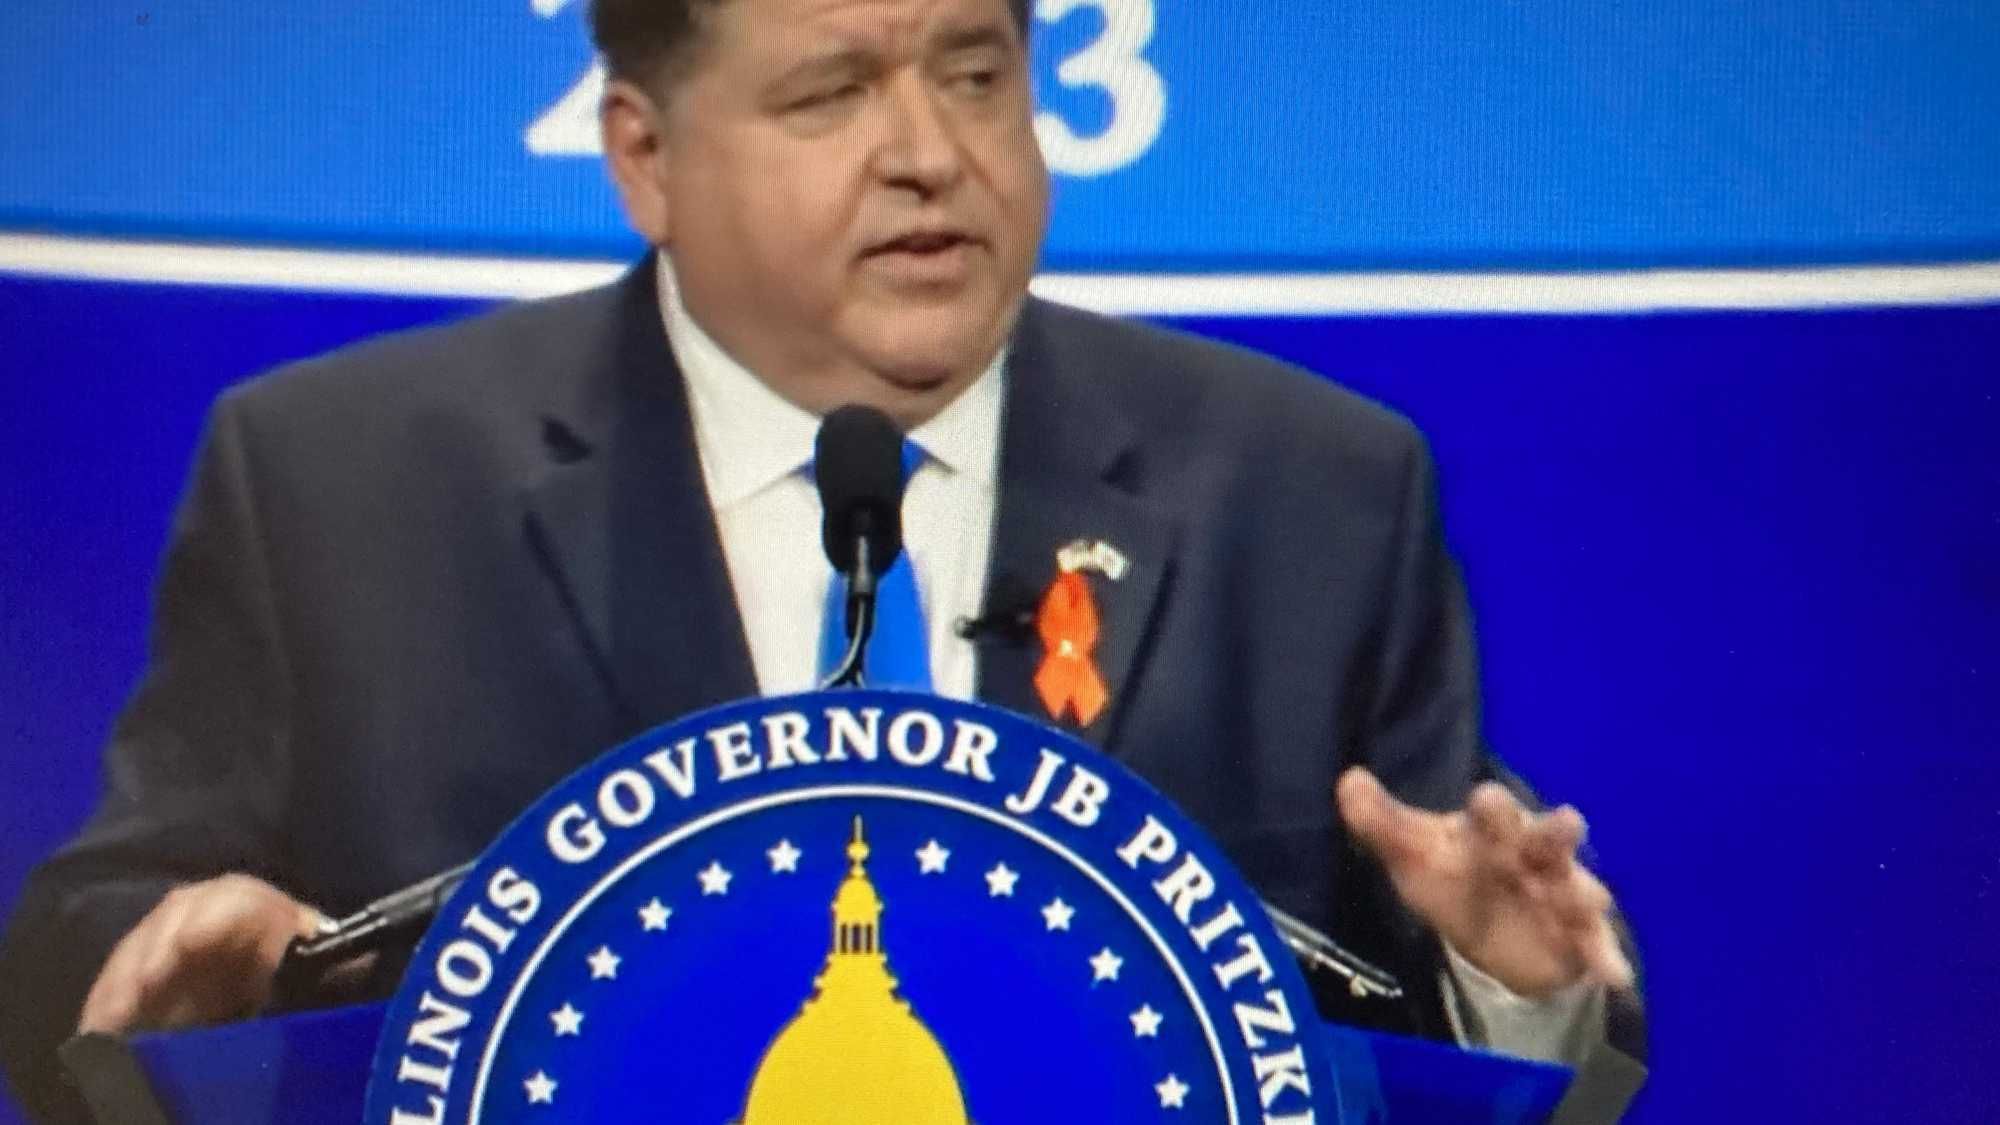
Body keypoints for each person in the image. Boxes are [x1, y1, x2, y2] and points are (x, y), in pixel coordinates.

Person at [0, 0, 1644, 1119]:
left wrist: (1512, 988)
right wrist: (160, 984)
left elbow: (1451, 1013)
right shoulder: (341, 484)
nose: (930, 149)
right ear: (643, 156)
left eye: (977, 73)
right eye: (831, 92)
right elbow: (92, 929)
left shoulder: (1309, 490)